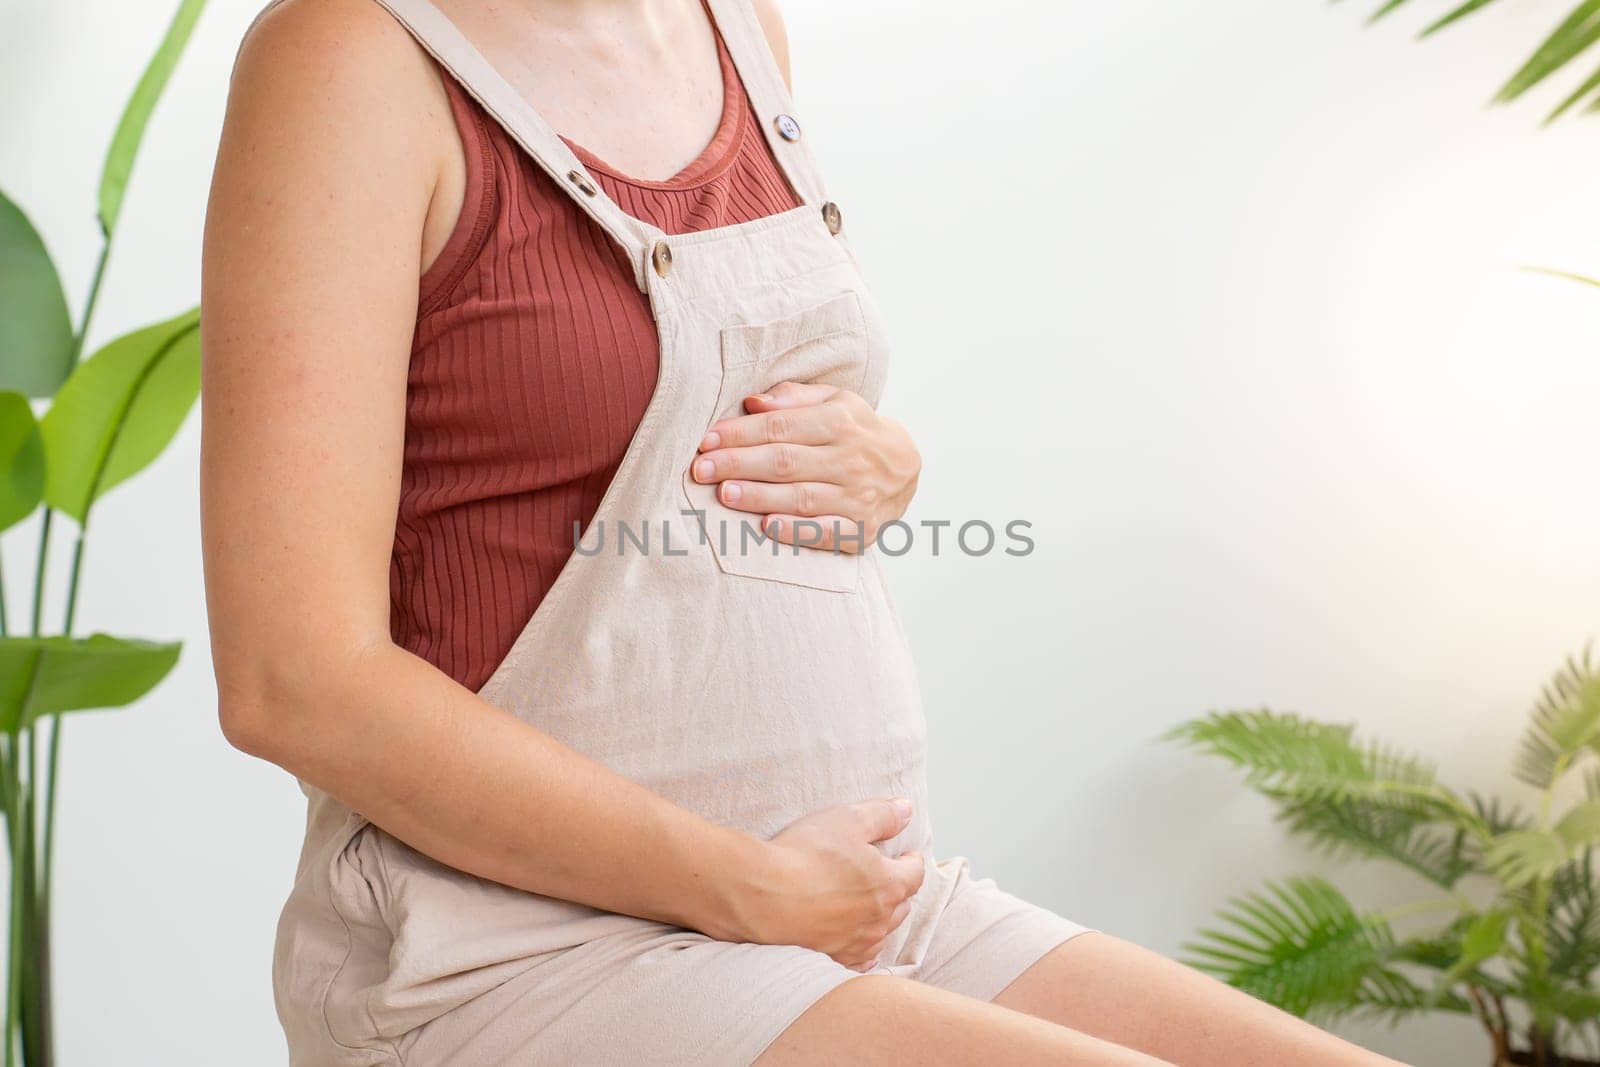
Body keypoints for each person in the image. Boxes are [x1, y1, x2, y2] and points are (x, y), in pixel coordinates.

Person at [200, 0, 1407, 1062]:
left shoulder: (737, 27)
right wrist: (747, 886)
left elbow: (670, 427)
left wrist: (887, 466)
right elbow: (293, 681)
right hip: (520, 951)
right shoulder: (348, 59)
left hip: (861, 904)